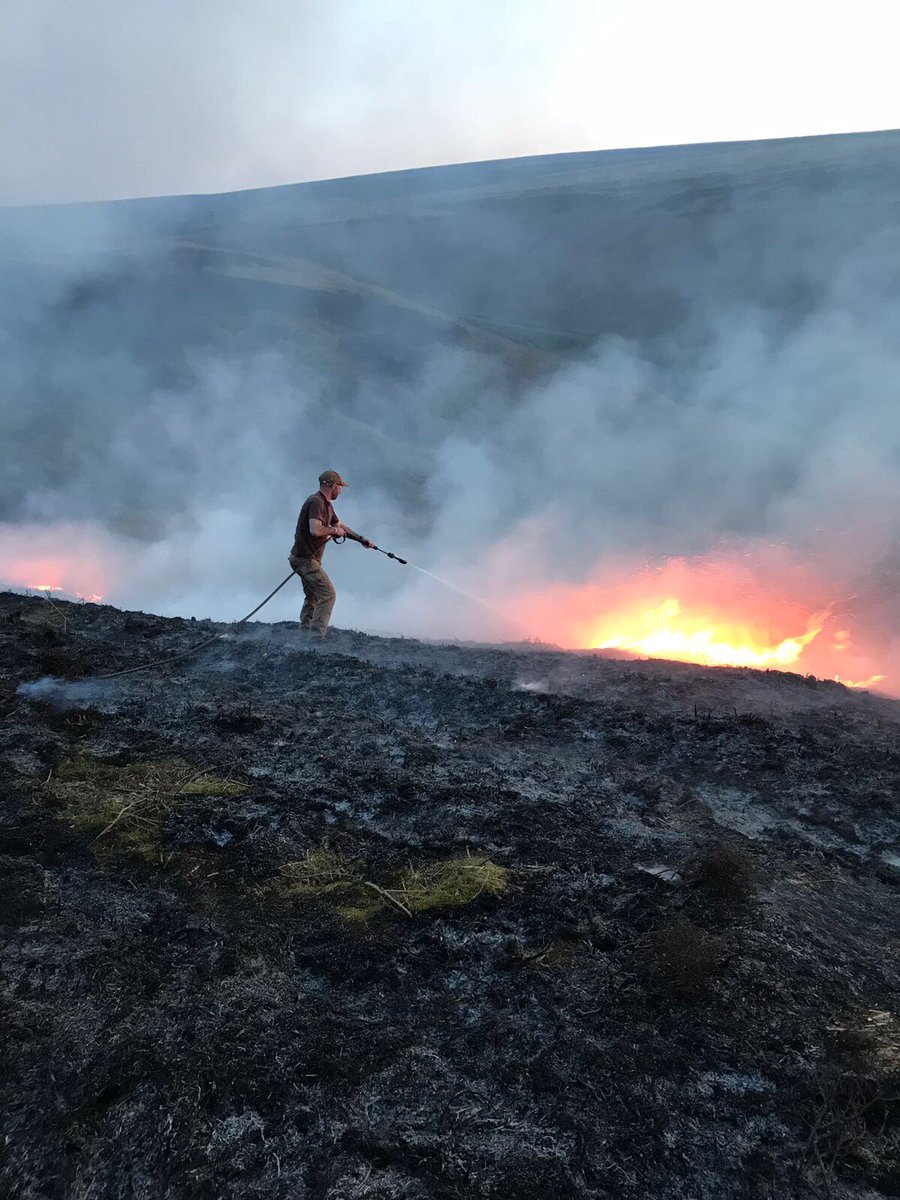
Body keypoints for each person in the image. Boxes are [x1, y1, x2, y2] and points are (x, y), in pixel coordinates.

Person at [288, 469, 373, 637]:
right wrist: (334, 530)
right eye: (340, 486)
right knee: (328, 594)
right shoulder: (316, 502)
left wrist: (361, 539)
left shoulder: (326, 505)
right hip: (305, 559)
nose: (340, 490)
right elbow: (315, 529)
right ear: (333, 485)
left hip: (303, 558)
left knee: (313, 595)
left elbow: (340, 525)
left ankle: (305, 632)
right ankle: (316, 636)